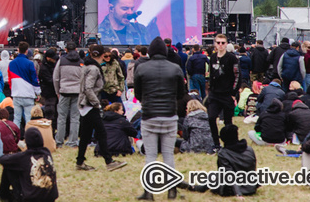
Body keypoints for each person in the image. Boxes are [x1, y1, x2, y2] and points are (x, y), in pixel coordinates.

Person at [134, 36, 185, 199]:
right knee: (168, 154)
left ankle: (149, 192)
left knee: (151, 155)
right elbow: (181, 93)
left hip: (149, 115)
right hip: (170, 115)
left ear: (149, 52)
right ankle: (172, 189)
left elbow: (137, 94)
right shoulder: (175, 68)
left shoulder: (141, 68)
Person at [76, 44, 127, 172]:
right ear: (101, 55)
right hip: (90, 105)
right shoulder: (94, 69)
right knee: (101, 132)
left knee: (86, 135)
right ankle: (109, 162)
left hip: (85, 104)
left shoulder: (87, 66)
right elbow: (88, 88)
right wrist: (96, 103)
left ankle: (80, 161)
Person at [0, 126, 58, 202]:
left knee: (8, 166)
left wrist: (13, 155)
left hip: (31, 198)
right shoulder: (47, 153)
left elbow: (2, 159)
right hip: (50, 198)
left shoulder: (24, 157)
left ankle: (3, 196)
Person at [192, 124, 258, 197]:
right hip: (251, 187)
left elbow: (229, 175)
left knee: (214, 176)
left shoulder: (223, 153)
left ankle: (198, 188)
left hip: (232, 189)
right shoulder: (249, 149)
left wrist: (238, 194)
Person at [206, 34, 240, 148]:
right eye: (218, 42)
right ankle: (216, 143)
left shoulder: (232, 58)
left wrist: (233, 93)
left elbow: (237, 76)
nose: (220, 45)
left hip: (227, 94)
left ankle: (229, 144)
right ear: (215, 43)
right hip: (215, 94)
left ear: (226, 44)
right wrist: (210, 90)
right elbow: (211, 74)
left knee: (227, 121)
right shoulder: (213, 57)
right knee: (211, 118)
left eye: (223, 43)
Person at [52, 42, 81, 148]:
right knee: (75, 118)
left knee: (62, 118)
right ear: (76, 49)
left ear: (66, 49)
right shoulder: (81, 62)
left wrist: (57, 91)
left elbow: (55, 78)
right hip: (77, 92)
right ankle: (73, 142)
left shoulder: (61, 61)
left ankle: (59, 141)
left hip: (64, 91)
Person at [7, 42, 41, 133]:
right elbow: (34, 79)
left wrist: (13, 90)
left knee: (17, 118)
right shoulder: (30, 64)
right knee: (29, 119)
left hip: (16, 94)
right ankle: (29, 138)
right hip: (28, 94)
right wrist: (37, 93)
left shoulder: (11, 63)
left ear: (18, 50)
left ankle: (15, 138)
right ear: (27, 51)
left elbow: (10, 80)